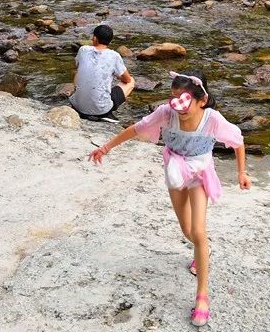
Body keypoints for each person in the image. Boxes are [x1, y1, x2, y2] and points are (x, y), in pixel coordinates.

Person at [89, 70, 251, 327]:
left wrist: (241, 172)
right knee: (186, 229)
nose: (179, 106)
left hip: (199, 173)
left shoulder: (213, 120)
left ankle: (202, 296)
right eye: (174, 98)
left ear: (201, 100)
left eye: (185, 99)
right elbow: (135, 129)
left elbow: (238, 141)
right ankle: (200, 254)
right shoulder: (166, 113)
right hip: (175, 170)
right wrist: (105, 147)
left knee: (198, 231)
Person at [69, 25, 135, 122]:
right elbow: (127, 79)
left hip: (77, 106)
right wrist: (116, 74)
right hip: (101, 111)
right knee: (131, 81)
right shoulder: (114, 56)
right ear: (110, 41)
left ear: (94, 38)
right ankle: (105, 113)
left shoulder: (83, 50)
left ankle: (80, 97)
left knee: (79, 71)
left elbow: (78, 67)